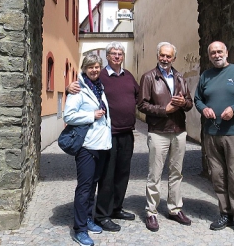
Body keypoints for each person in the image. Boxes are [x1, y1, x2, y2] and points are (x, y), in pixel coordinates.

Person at [66, 43, 139, 232]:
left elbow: (139, 97)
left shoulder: (128, 76)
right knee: (107, 176)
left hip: (127, 132)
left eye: (120, 53)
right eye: (113, 53)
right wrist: (68, 88)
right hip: (108, 134)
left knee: (122, 174)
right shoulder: (100, 76)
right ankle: (102, 214)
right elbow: (82, 85)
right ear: (107, 56)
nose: (117, 56)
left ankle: (116, 208)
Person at [194, 41, 234, 238]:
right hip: (212, 134)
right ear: (209, 56)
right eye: (212, 52)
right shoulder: (206, 75)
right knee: (218, 176)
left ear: (226, 53)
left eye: (219, 51)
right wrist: (204, 108)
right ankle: (225, 214)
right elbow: (198, 99)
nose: (216, 55)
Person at [137, 42, 194, 232]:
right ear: (157, 55)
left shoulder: (180, 77)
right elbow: (142, 105)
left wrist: (183, 103)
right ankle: (151, 212)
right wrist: (164, 110)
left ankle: (175, 209)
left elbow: (190, 103)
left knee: (176, 173)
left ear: (174, 58)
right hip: (158, 131)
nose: (165, 59)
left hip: (179, 130)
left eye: (169, 56)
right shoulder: (148, 77)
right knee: (154, 174)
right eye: (162, 55)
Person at [63, 54, 112, 246]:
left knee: (93, 186)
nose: (94, 70)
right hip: (87, 146)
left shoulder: (100, 87)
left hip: (101, 145)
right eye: (90, 67)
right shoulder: (78, 89)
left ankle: (88, 219)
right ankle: (80, 229)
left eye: (97, 66)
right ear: (84, 68)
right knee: (84, 188)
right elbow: (68, 116)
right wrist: (91, 115)